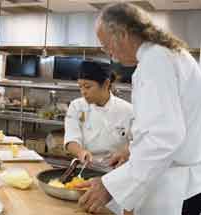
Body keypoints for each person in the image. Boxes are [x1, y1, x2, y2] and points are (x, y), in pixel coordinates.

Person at [77, 3, 201, 215]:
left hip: (174, 187)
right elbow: (170, 125)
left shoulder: (155, 60)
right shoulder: (170, 54)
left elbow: (163, 137)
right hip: (181, 180)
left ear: (123, 35)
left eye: (107, 46)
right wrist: (131, 149)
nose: (111, 55)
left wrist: (110, 186)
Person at [64, 60, 133, 164]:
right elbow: (71, 138)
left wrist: (126, 151)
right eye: (80, 87)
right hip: (86, 167)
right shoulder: (76, 106)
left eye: (87, 87)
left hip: (116, 169)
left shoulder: (128, 110)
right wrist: (81, 152)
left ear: (106, 84)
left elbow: (139, 141)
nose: (83, 92)